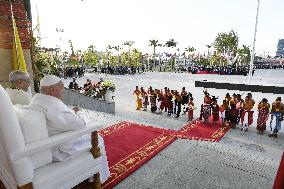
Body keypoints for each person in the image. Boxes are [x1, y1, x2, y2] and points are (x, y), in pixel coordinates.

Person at [28, 74, 110, 183]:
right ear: (52, 90)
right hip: (59, 149)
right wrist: (80, 113)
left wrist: (71, 112)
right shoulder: (54, 106)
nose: (63, 91)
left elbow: (59, 118)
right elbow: (80, 124)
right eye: (61, 88)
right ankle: (98, 178)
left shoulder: (37, 100)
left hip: (47, 144)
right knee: (98, 138)